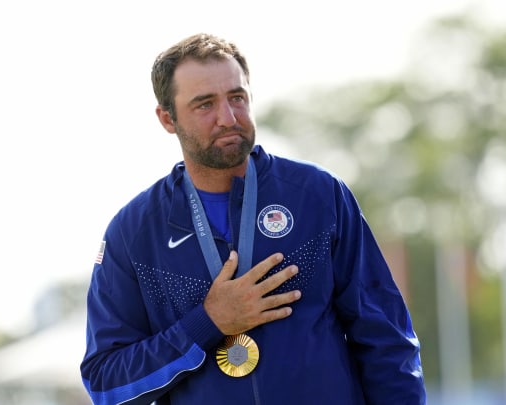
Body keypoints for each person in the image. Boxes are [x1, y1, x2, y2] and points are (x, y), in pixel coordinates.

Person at [80, 33, 426, 405]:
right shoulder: (133, 233)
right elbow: (106, 384)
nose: (228, 118)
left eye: (237, 98)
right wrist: (207, 323)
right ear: (167, 118)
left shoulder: (319, 196)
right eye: (204, 105)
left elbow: (388, 344)